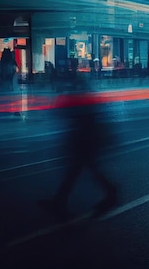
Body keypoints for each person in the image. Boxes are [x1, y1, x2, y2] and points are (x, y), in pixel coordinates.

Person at [39, 77, 117, 221]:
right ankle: (60, 200)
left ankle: (60, 201)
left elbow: (60, 111)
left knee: (77, 170)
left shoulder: (78, 98)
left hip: (83, 140)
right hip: (87, 139)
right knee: (80, 169)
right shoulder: (89, 98)